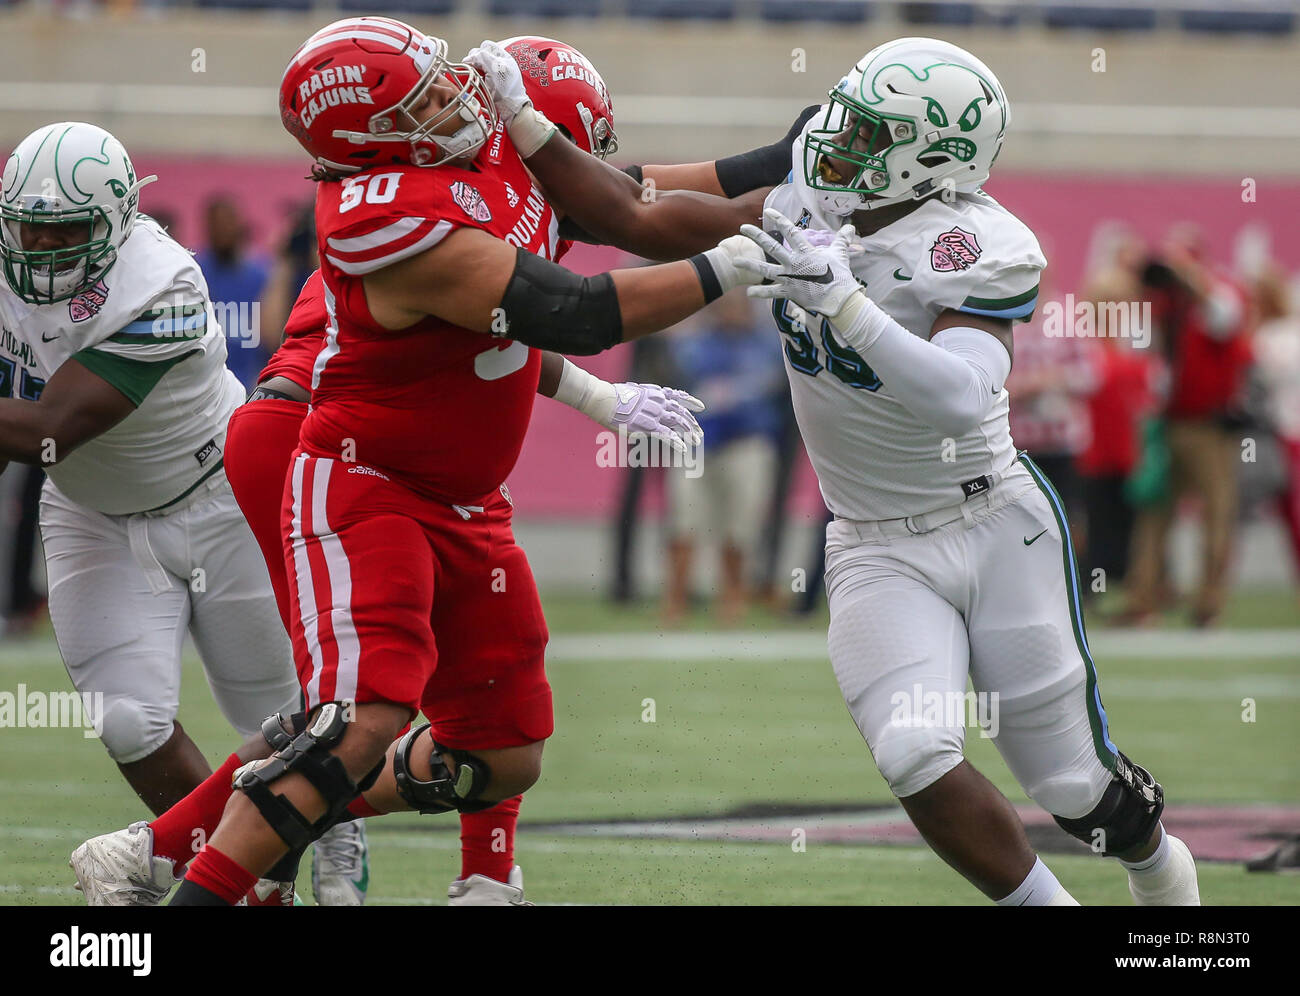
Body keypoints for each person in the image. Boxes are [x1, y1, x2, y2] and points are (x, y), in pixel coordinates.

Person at [62, 17, 769, 907]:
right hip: (339, 454)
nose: (459, 102)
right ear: (374, 135)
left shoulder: (483, 157)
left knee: (497, 743)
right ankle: (238, 864)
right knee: (350, 718)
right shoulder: (385, 214)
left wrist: (788, 170)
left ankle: (197, 843)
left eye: (456, 84)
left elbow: (639, 200)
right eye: (431, 95)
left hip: (443, 467)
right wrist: (731, 267)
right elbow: (565, 307)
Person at [732, 37, 1199, 905]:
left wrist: (846, 304)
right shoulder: (804, 192)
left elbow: (959, 396)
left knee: (1074, 793)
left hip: (991, 524)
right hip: (872, 541)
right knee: (914, 752)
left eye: (872, 132)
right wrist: (530, 142)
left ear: (933, 159)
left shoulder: (972, 241)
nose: (838, 139)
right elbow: (643, 209)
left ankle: (1164, 877)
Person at [0, 122, 329, 903]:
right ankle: (244, 886)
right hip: (92, 509)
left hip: (220, 500)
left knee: (287, 721)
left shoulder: (163, 284)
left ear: (115, 222)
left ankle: (317, 859)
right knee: (126, 721)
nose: (41, 247)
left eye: (64, 230)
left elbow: (51, 428)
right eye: (28, 226)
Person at [1123, 229, 1254, 627]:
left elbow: (1225, 318)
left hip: (1209, 428)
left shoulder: (1218, 297)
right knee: (1153, 514)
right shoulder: (1164, 309)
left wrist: (1191, 280)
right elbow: (1139, 348)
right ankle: (1144, 599)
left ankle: (1208, 605)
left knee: (1216, 516)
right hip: (1168, 424)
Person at [663, 292, 786, 625]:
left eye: (738, 305)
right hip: (696, 444)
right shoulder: (693, 343)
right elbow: (676, 384)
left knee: (740, 526)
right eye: (726, 305)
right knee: (683, 521)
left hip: (747, 442)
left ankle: (732, 597)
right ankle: (676, 598)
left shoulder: (767, 345)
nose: (732, 312)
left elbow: (771, 388)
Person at [195, 195, 272, 389]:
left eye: (228, 222)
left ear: (239, 225)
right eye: (216, 223)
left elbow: (271, 336)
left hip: (250, 383)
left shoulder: (262, 275)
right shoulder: (195, 272)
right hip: (206, 386)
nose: (223, 230)